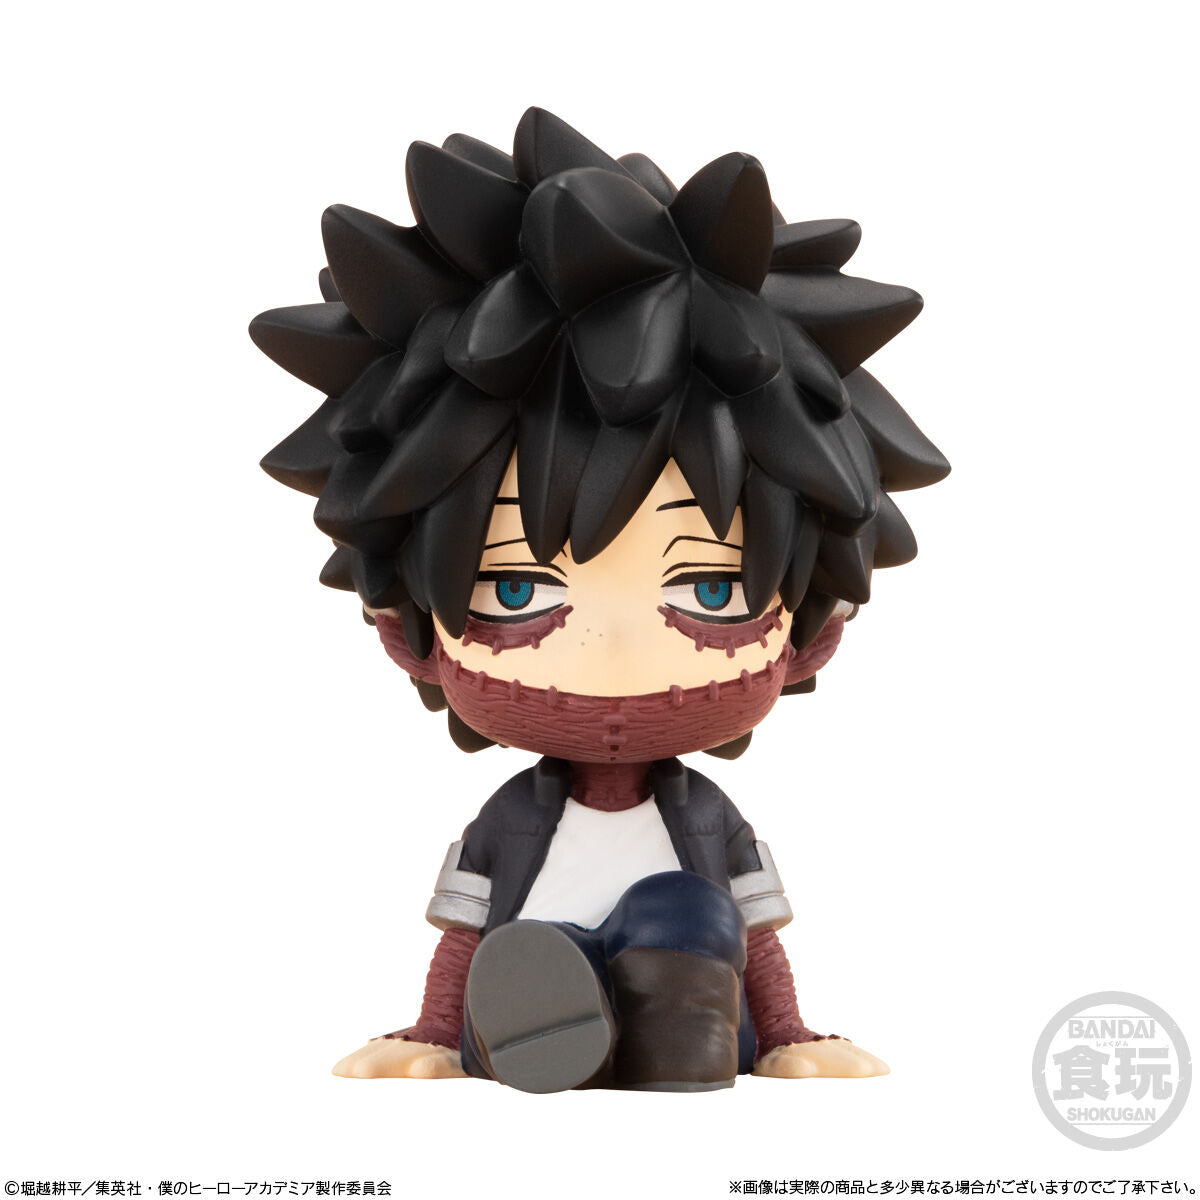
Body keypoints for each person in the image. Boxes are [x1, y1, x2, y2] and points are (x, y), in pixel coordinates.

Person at [251, 107, 949, 1092]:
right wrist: (433, 1034)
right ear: (407, 631)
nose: (613, 648)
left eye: (710, 589)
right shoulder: (510, 821)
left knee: (690, 912)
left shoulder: (706, 820)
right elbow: (460, 940)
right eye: (518, 587)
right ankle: (553, 1022)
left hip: (695, 970)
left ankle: (672, 1036)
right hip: (528, 972)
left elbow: (759, 937)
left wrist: (790, 1034)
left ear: (811, 633)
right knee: (529, 952)